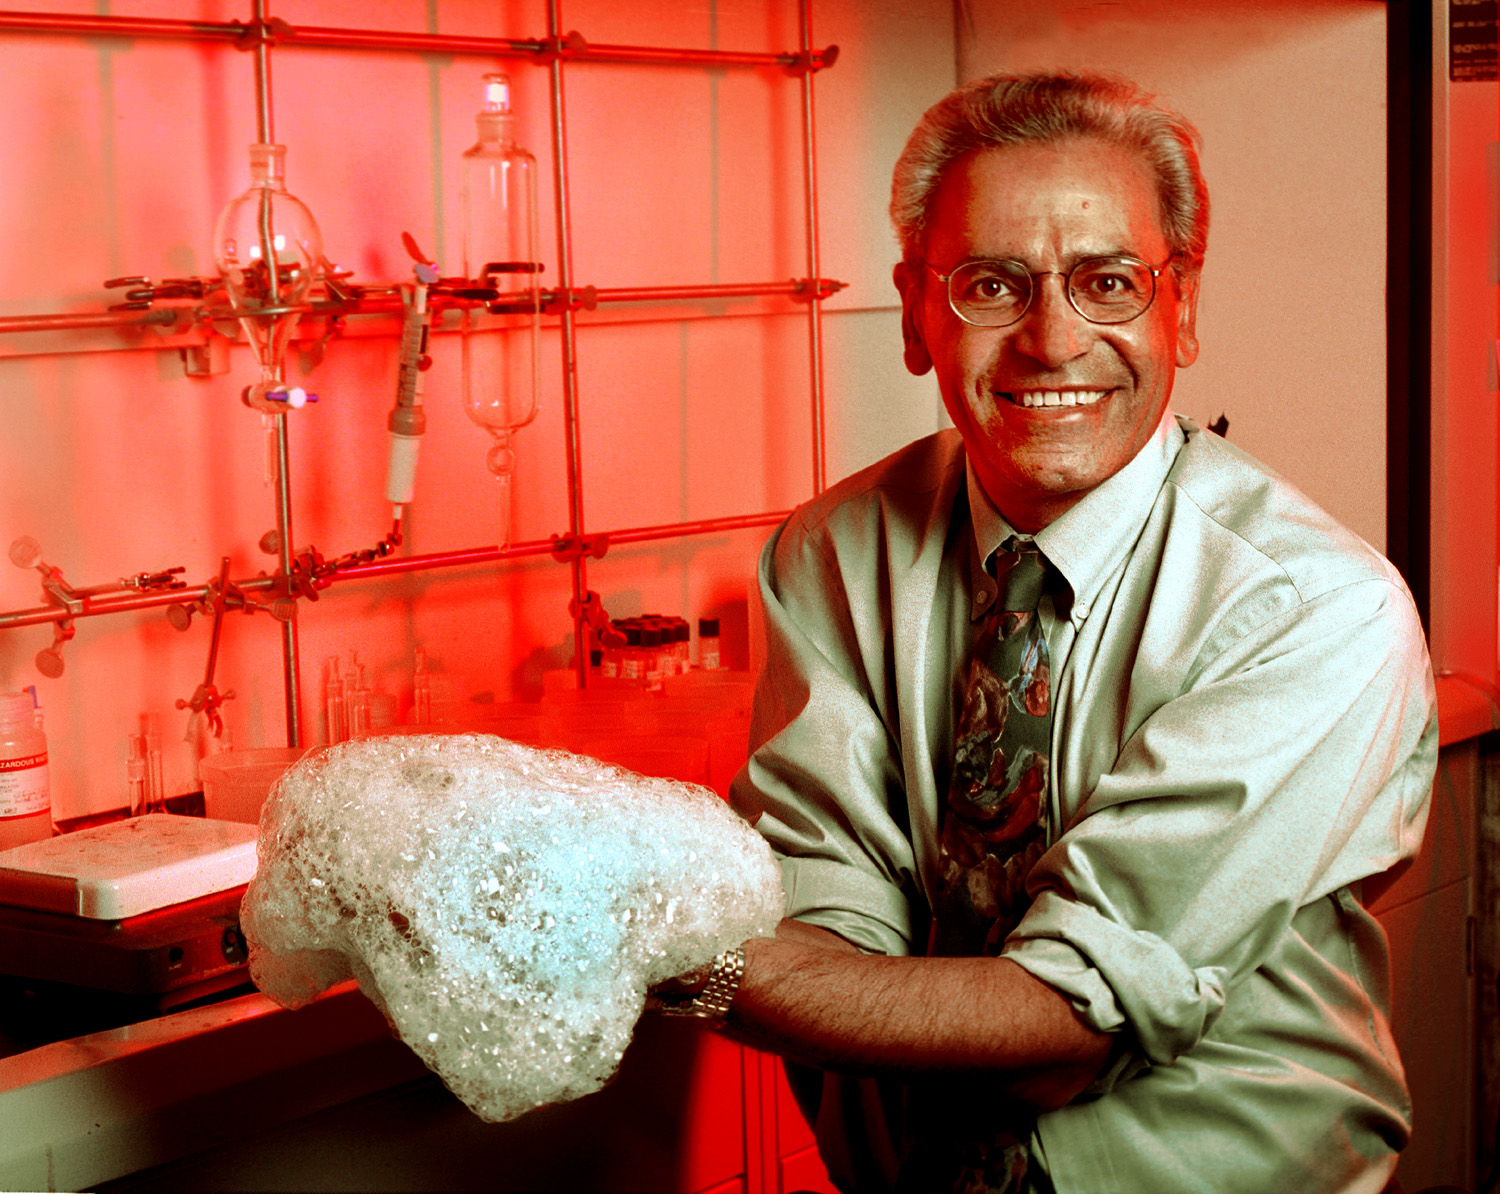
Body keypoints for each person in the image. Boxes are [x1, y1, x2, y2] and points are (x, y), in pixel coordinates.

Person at [651, 72, 1436, 1194]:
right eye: (990, 285)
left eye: (1109, 282)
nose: (1053, 341)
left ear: (1185, 309)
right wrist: (769, 961)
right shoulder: (830, 554)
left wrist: (680, 955)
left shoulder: (1313, 608)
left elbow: (1064, 1025)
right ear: (919, 314)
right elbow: (826, 905)